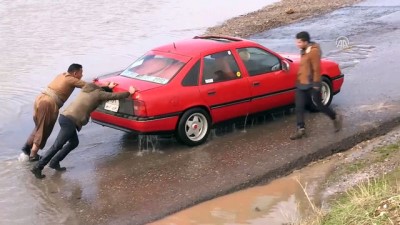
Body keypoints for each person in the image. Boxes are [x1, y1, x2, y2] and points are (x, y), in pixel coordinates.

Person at [31, 83, 136, 179]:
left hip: (64, 117)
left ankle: (54, 162)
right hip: (70, 121)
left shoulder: (86, 89)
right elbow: (114, 96)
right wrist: (129, 93)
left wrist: (108, 87)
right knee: (57, 145)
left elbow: (102, 90)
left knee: (74, 142)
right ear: (100, 90)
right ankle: (38, 167)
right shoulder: (98, 94)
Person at [21, 64, 87, 161]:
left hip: (40, 99)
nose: (82, 75)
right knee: (43, 129)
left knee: (38, 126)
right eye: (81, 73)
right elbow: (88, 86)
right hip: (48, 103)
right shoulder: (71, 80)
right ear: (75, 73)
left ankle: (27, 148)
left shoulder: (62, 75)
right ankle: (33, 155)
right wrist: (104, 84)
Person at [290, 31, 342, 140]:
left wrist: (316, 84)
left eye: (299, 42)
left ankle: (335, 117)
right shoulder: (303, 50)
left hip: (312, 84)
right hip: (302, 83)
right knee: (299, 107)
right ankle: (301, 129)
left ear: (305, 41)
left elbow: (316, 68)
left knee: (318, 105)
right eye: (297, 42)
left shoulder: (313, 52)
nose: (297, 44)